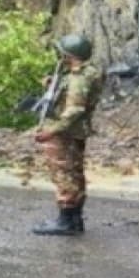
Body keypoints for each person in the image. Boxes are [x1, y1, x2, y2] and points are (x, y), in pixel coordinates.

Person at [31, 34, 104, 236]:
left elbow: (74, 109)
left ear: (69, 55)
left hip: (66, 133)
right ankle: (74, 219)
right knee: (73, 173)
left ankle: (66, 221)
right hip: (74, 131)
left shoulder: (78, 78)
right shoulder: (81, 74)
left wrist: (50, 131)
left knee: (64, 174)